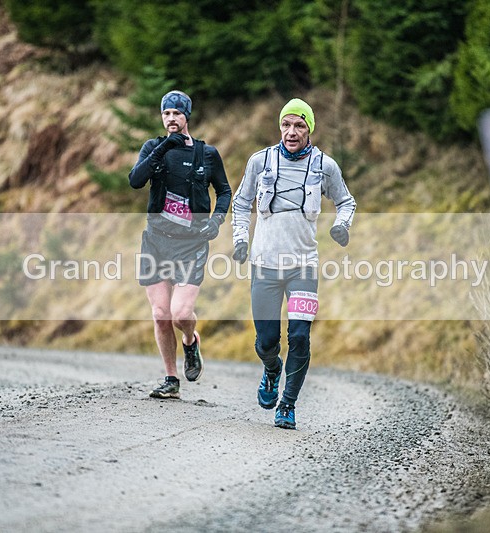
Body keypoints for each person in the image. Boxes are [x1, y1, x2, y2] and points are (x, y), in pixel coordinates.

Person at [231, 98, 356, 429]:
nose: (291, 131)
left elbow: (347, 201)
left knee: (300, 336)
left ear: (310, 129)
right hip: (265, 264)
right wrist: (240, 240)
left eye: (299, 125)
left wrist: (342, 225)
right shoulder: (261, 161)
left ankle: (287, 404)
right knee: (266, 341)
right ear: (279, 127)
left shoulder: (324, 166)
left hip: (304, 266)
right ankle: (272, 369)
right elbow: (241, 203)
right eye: (286, 124)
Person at [129, 90, 231, 399]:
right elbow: (135, 180)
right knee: (160, 314)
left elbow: (224, 191)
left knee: (180, 313)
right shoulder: (152, 147)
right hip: (156, 240)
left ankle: (190, 342)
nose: (171, 118)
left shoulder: (206, 154)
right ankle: (171, 380)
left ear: (187, 116)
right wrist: (161, 150)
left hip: (191, 243)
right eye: (166, 113)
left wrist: (217, 220)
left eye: (176, 113)